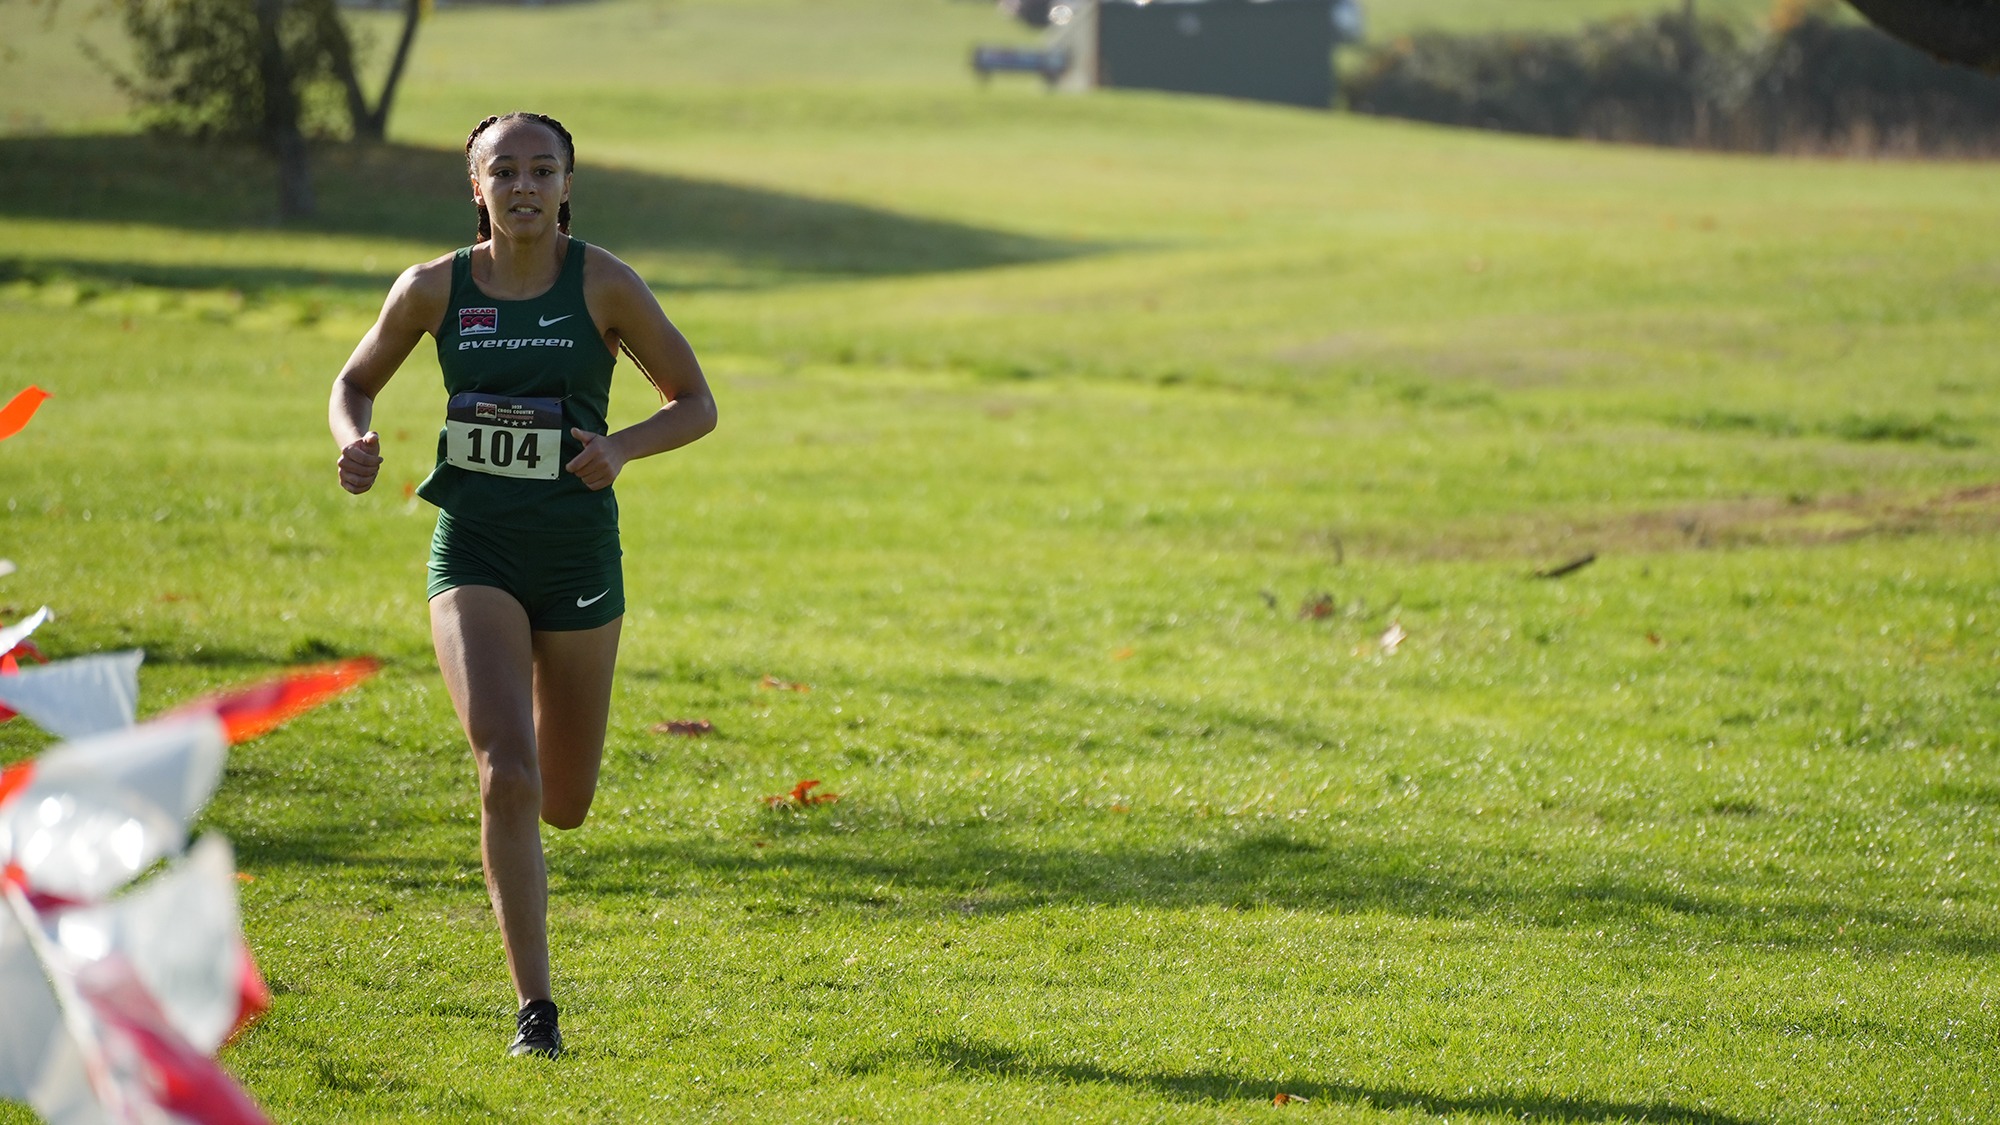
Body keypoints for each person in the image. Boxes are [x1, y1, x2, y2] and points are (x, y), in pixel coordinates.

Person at [327, 111, 717, 1059]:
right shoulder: (433, 288)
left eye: (543, 169)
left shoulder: (604, 282)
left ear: (567, 184)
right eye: (505, 171)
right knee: (505, 770)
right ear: (477, 187)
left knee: (562, 799)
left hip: (579, 555)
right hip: (476, 548)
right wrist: (356, 442)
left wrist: (618, 449)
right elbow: (353, 381)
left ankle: (532, 804)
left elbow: (696, 401)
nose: (525, 186)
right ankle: (535, 1014)